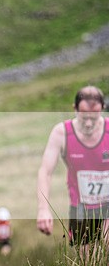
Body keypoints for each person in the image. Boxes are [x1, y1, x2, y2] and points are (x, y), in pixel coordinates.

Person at [37, 86, 109, 255]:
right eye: (84, 116)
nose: (89, 122)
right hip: (81, 207)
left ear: (103, 109)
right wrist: (43, 209)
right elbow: (45, 172)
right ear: (74, 109)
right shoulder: (61, 133)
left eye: (94, 116)